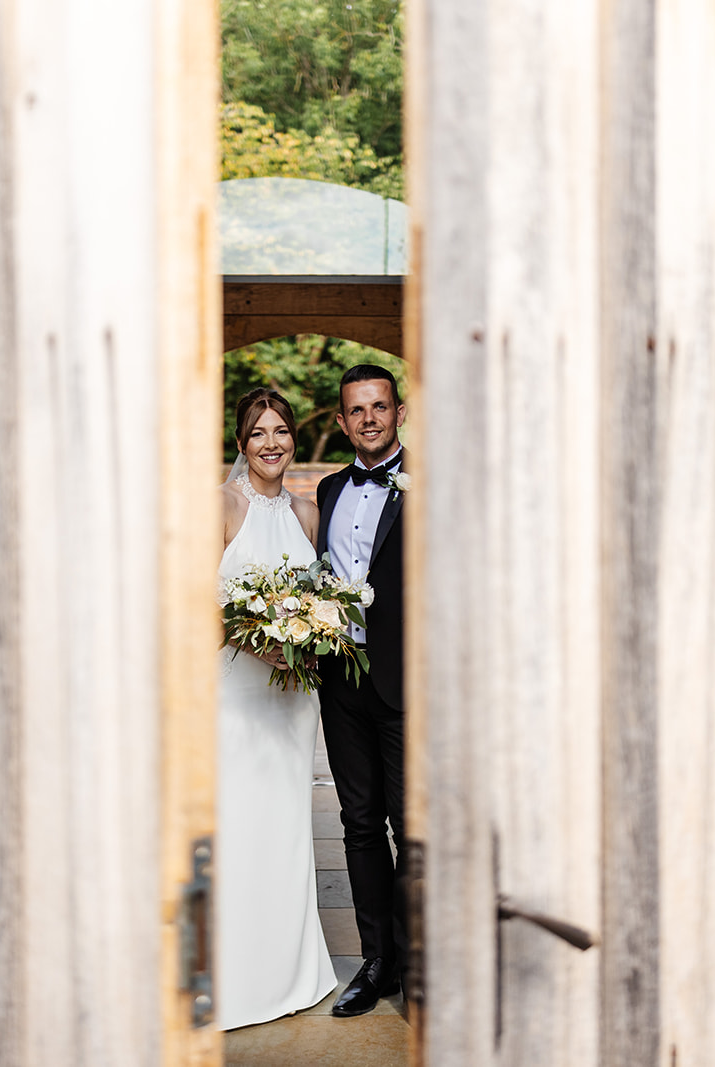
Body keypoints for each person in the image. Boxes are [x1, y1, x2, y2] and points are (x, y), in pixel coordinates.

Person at [214, 388, 338, 1031]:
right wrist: (259, 643)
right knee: (237, 821)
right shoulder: (223, 506)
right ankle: (234, 975)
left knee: (286, 825)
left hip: (294, 700)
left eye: (281, 430)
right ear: (242, 443)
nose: (272, 442)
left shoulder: (307, 513)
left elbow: (318, 599)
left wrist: (311, 640)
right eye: (258, 432)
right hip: (237, 692)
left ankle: (292, 969)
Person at [315, 364, 409, 1017]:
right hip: (340, 675)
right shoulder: (325, 489)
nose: (369, 417)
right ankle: (376, 964)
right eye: (357, 409)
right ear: (344, 420)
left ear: (398, 412)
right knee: (358, 824)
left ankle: (421, 960)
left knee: (414, 826)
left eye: (379, 406)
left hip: (409, 679)